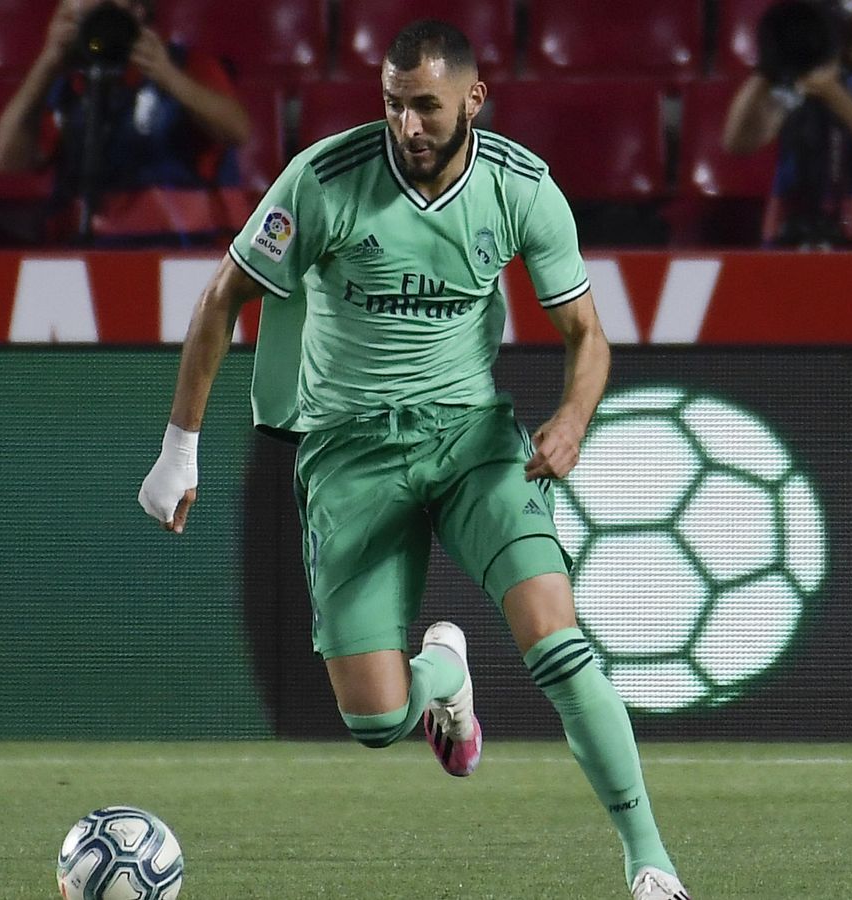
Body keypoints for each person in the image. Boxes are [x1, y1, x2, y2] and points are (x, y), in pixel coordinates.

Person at [137, 20, 692, 900]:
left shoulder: (521, 190)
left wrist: (575, 418)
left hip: (472, 440)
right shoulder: (323, 180)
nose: (408, 127)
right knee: (375, 720)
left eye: (426, 107)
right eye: (394, 106)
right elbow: (222, 298)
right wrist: (179, 450)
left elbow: (586, 333)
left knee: (559, 640)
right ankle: (443, 675)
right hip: (350, 453)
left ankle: (650, 861)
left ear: (474, 99)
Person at [0, 0, 252, 246]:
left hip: (185, 246)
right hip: (85, 249)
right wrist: (46, 64)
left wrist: (167, 76)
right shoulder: (66, 86)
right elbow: (6, 160)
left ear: (139, 11)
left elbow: (237, 131)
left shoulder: (186, 65)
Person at [722, 0, 852, 246]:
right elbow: (739, 142)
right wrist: (771, 64)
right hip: (794, 247)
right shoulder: (801, 61)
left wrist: (831, 93)